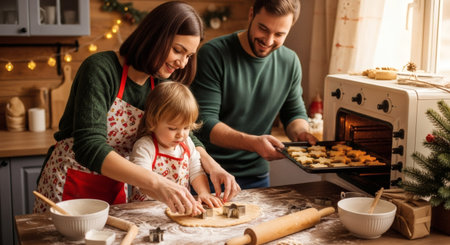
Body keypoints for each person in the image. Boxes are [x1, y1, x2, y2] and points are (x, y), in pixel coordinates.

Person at [33, 1, 239, 216]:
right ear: (155, 37)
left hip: (117, 185)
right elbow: (89, 146)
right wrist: (157, 183)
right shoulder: (101, 69)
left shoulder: (158, 82)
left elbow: (183, 130)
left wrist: (212, 165)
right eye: (178, 50)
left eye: (189, 56)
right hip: (71, 184)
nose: (182, 64)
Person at [190, 0, 317, 190]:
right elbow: (204, 123)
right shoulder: (214, 54)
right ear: (251, 15)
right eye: (263, 29)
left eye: (279, 34)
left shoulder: (290, 62)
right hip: (208, 172)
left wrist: (301, 133)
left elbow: (294, 113)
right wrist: (253, 143)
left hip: (256, 176)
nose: (268, 40)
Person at [129, 81, 223, 210]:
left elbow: (196, 171)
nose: (181, 135)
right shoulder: (144, 147)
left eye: (186, 127)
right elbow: (143, 183)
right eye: (173, 128)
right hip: (145, 210)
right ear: (153, 121)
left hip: (180, 208)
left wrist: (204, 193)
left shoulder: (187, 143)